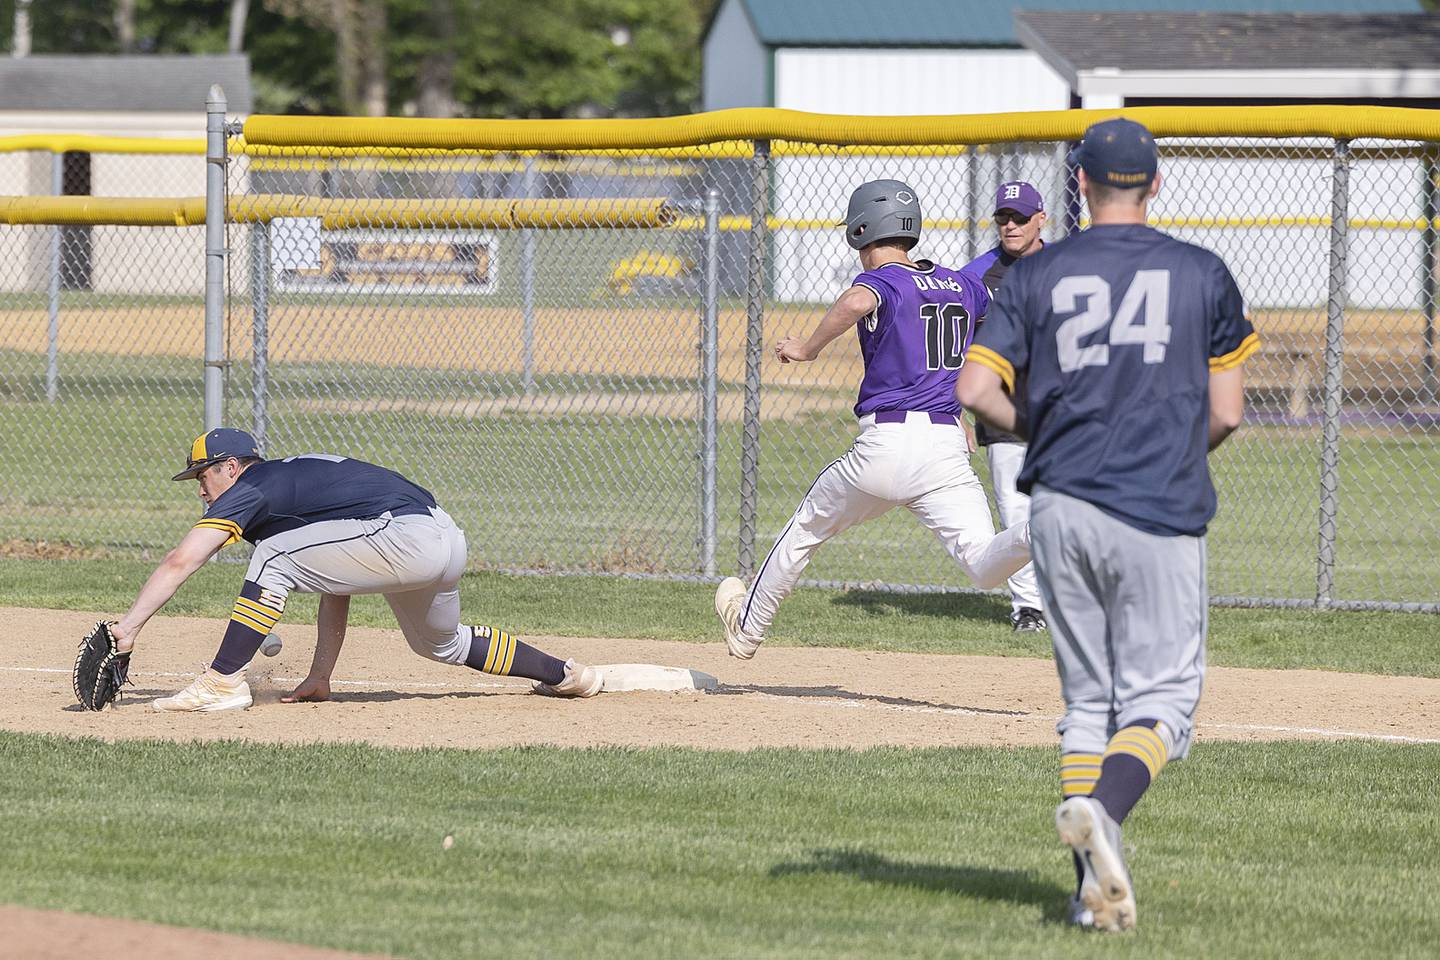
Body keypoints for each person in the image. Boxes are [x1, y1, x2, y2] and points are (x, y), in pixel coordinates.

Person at [956, 117, 1256, 932]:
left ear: (1079, 186)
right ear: (1156, 184)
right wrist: (1166, 452)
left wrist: (1046, 433)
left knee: (1086, 702)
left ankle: (1090, 895)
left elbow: (976, 395)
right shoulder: (1201, 272)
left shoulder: (1035, 274)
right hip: (1156, 505)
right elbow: (1227, 411)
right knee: (1163, 703)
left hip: (1058, 505)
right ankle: (1106, 819)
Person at [713, 179, 1033, 660]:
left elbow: (859, 301)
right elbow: (987, 328)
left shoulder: (880, 280)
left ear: (862, 230)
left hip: (886, 446)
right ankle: (1042, 531)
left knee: (806, 529)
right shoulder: (962, 283)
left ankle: (748, 629)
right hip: (945, 450)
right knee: (983, 564)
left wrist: (806, 348)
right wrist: (954, 401)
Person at [108, 429, 602, 711]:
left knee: (273, 556)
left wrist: (126, 629)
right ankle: (564, 675)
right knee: (440, 645)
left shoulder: (253, 487)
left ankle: (220, 682)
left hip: (405, 535)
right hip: (444, 535)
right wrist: (321, 675)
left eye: (203, 474)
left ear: (232, 467)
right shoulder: (290, 481)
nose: (200, 488)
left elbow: (182, 559)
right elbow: (335, 580)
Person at [962, 180, 1050, 633]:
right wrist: (955, 411)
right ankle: (1029, 608)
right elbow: (955, 349)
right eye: (1003, 217)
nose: (1010, 225)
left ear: (1041, 219)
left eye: (1019, 217)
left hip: (1061, 410)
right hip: (1003, 411)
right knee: (1016, 512)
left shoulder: (1067, 268)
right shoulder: (976, 275)